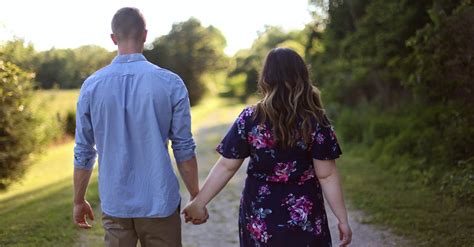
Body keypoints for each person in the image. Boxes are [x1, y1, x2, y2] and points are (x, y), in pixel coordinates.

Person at [183, 48, 352, 247]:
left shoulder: (250, 118)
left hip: (260, 213)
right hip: (304, 213)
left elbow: (226, 166)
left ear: (266, 78)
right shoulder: (315, 120)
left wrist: (199, 203)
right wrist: (342, 219)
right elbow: (327, 175)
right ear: (302, 77)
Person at [72, 7, 207, 247]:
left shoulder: (91, 86)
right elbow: (183, 147)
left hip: (116, 203)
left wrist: (78, 200)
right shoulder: (170, 83)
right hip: (159, 200)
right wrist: (196, 196)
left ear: (113, 38)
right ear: (145, 35)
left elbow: (84, 150)